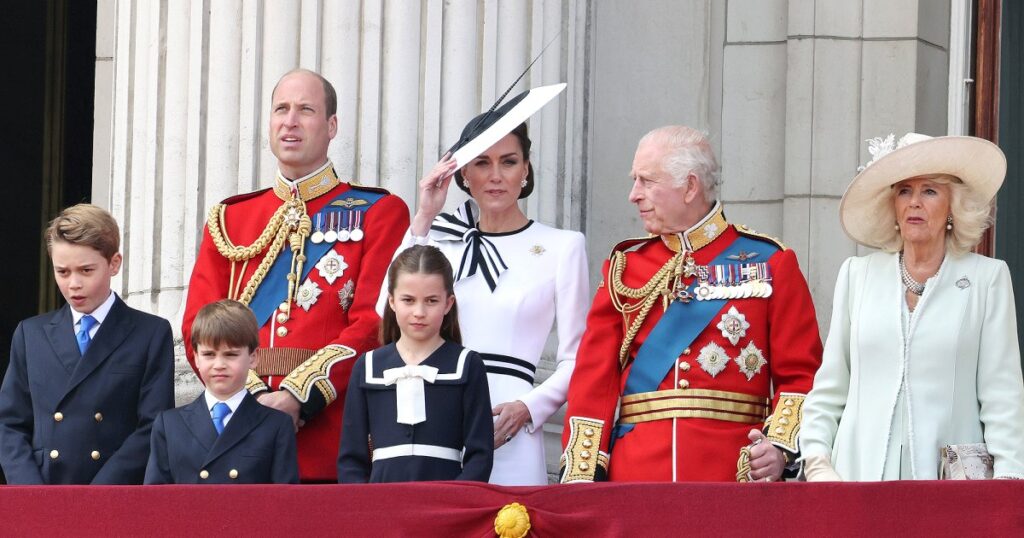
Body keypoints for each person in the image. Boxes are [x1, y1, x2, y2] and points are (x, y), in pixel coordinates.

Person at [181, 69, 409, 482]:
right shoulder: (230, 219)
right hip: (237, 432)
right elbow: (198, 324)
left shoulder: (378, 212)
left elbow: (374, 322)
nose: (290, 121)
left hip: (330, 436)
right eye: (281, 109)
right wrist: (252, 399)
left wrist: (297, 397)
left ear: (331, 125)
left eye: (306, 110)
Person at [560, 126, 822, 483]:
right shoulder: (626, 267)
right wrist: (581, 476)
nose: (633, 194)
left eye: (647, 181)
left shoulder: (770, 262)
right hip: (636, 475)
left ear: (690, 186)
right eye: (635, 180)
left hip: (733, 475)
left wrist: (778, 447)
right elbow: (594, 380)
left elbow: (801, 376)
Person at [801, 133, 1024, 481]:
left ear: (953, 206)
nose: (914, 202)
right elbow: (830, 388)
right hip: (856, 481)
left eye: (929, 191)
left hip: (951, 489)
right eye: (904, 190)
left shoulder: (987, 279)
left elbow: (1003, 397)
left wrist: (1009, 482)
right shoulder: (857, 275)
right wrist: (817, 463)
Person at [393, 98, 589, 485]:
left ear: (526, 169)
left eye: (509, 161)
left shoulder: (562, 246)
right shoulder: (438, 240)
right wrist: (425, 215)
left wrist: (529, 408)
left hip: (508, 424)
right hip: (431, 415)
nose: (496, 175)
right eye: (482, 162)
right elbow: (391, 307)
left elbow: (578, 358)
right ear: (464, 173)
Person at [0, 204, 174, 484]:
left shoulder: (150, 333)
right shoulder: (30, 333)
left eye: (86, 270)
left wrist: (97, 495)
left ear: (114, 263)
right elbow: (9, 423)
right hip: (43, 493)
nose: (74, 284)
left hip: (112, 495)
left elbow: (153, 426)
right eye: (63, 272)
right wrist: (29, 491)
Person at [339, 245, 492, 482]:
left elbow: (480, 455)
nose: (419, 312)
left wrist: (456, 504)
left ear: (448, 303)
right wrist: (365, 508)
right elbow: (351, 459)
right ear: (391, 301)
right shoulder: (367, 366)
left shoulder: (467, 364)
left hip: (445, 503)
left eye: (431, 301)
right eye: (408, 300)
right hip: (380, 503)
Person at [145, 300, 299, 484]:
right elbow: (155, 502)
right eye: (209, 354)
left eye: (231, 354)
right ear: (196, 358)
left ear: (253, 357)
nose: (219, 365)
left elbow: (284, 503)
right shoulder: (169, 425)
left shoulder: (276, 425)